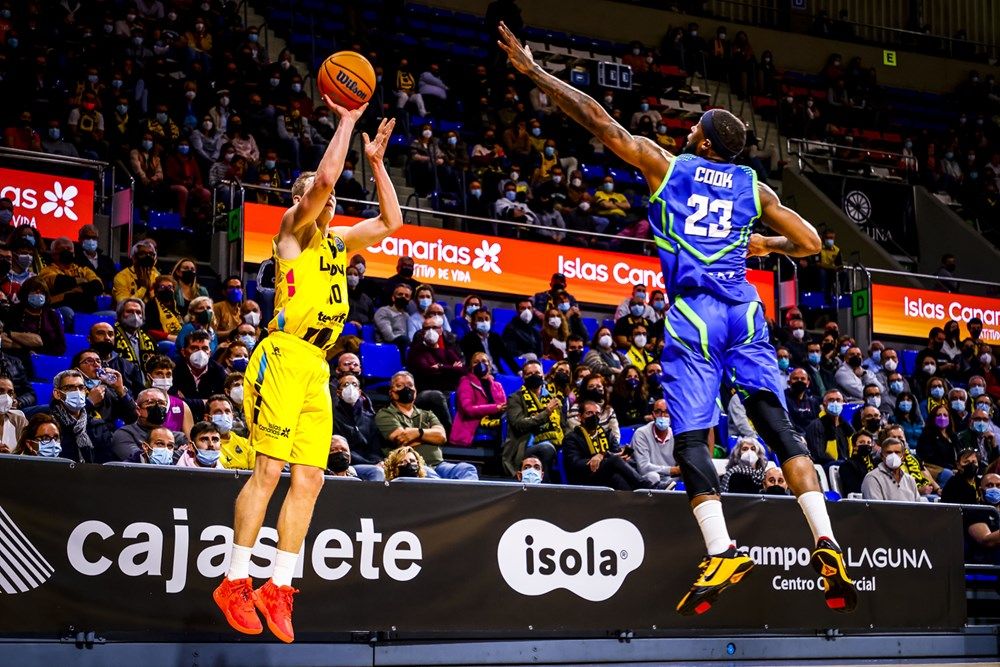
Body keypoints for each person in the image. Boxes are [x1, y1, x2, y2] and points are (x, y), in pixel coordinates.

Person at [501, 25, 854, 612]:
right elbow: (813, 241)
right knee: (776, 424)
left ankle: (721, 549)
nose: (687, 130)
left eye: (694, 127)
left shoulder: (669, 166)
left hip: (693, 313)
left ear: (705, 142)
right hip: (744, 309)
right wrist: (763, 244)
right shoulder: (753, 185)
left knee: (690, 435)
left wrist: (536, 73)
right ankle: (826, 540)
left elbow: (600, 123)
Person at [215, 104, 402, 645]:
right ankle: (233, 579)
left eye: (335, 199)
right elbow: (322, 178)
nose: (329, 200)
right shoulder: (291, 232)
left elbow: (392, 222)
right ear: (302, 201)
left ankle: (278, 585)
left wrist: (377, 162)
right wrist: (346, 122)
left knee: (311, 479)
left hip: (317, 364)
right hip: (282, 354)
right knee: (269, 470)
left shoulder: (339, 245)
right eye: (320, 195)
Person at [375, 371, 477, 480]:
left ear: (415, 390)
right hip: (410, 466)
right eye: (400, 385)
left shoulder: (427, 414)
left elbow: (441, 437)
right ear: (391, 392)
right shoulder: (385, 414)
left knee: (467, 469)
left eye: (410, 385)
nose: (406, 388)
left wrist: (418, 433)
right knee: (431, 476)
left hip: (439, 465)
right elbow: (401, 438)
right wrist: (430, 437)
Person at [562, 399, 651, 490]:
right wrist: (597, 459)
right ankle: (647, 486)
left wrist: (620, 457)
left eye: (597, 414)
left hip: (607, 474)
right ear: (580, 417)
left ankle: (636, 499)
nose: (594, 416)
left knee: (617, 477)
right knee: (615, 461)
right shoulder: (572, 438)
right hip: (585, 476)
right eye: (589, 413)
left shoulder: (608, 435)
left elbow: (616, 454)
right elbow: (574, 463)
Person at [501, 360, 562, 478]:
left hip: (552, 443)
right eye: (529, 374)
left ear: (543, 375)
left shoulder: (553, 399)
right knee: (546, 449)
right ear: (523, 378)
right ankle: (543, 486)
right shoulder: (515, 398)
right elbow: (519, 424)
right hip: (524, 446)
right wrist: (546, 413)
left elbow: (561, 427)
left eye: (537, 373)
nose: (534, 376)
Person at [48, 369, 117, 464]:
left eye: (81, 387)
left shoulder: (98, 426)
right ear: (57, 394)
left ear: (85, 391)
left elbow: (107, 462)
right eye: (70, 388)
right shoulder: (49, 424)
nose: (77, 391)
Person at [111, 387, 189, 462]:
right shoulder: (124, 434)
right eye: (151, 403)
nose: (157, 407)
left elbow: (188, 460)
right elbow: (137, 460)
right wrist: (179, 453)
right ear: (138, 410)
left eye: (161, 403)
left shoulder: (179, 437)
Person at [332, 374, 384, 480]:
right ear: (338, 392)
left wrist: (377, 462)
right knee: (375, 472)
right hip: (343, 462)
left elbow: (375, 449)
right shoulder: (332, 416)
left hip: (369, 464)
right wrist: (370, 464)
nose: (350, 388)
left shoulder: (369, 418)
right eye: (346, 385)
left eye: (354, 384)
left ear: (359, 392)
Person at [452, 352, 507, 448]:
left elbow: (504, 406)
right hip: (475, 426)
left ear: (489, 365)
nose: (480, 364)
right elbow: (468, 409)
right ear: (471, 367)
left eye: (484, 361)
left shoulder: (497, 385)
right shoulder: (466, 383)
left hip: (497, 422)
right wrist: (495, 408)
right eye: (475, 362)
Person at [631, 399, 680, 488]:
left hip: (671, 479)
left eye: (666, 412)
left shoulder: (677, 434)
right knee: (653, 476)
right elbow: (643, 468)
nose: (662, 416)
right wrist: (671, 470)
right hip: (647, 478)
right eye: (658, 412)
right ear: (653, 415)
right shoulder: (641, 433)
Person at [460, 307, 520, 374]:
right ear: (474, 323)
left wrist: (518, 371)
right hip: (480, 374)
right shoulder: (468, 339)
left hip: (498, 372)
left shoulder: (495, 337)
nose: (484, 322)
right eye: (480, 319)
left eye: (486, 319)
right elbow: (469, 362)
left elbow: (507, 356)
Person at [860, 436, 919, 501]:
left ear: (903, 456)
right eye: (889, 452)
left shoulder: (910, 480)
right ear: (882, 456)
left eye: (897, 452)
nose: (893, 456)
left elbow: (918, 507)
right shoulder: (872, 478)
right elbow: (876, 508)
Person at [206, 394, 255, 470]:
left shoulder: (246, 444)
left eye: (227, 411)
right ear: (207, 418)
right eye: (218, 412)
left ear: (232, 416)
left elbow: (255, 474)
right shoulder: (204, 445)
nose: (224, 415)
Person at [804, 390, 854, 465]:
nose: (835, 403)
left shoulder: (847, 427)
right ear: (824, 405)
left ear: (843, 403)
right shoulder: (816, 425)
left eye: (838, 400)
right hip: (827, 467)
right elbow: (818, 455)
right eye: (831, 400)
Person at [115, 298, 157, 373]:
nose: (134, 315)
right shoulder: (112, 337)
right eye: (129, 311)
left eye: (138, 312)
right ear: (120, 314)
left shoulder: (150, 340)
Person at [966, 473, 1000, 564]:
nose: (995, 489)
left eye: (998, 486)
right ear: (981, 491)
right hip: (986, 566)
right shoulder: (975, 511)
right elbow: (986, 540)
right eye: (990, 485)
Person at [113, 240, 158, 305]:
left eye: (151, 254)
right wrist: (144, 287)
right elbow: (124, 304)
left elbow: (159, 304)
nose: (147, 257)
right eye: (142, 254)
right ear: (134, 258)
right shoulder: (121, 277)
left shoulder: (156, 276)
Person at [838, 431, 877, 496]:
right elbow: (854, 490)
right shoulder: (847, 465)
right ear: (854, 446)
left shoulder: (875, 464)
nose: (866, 445)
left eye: (869, 442)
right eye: (862, 442)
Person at [0, 376, 27, 453]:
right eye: (0, 391)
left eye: (10, 393)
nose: (6, 397)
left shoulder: (20, 422)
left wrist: (10, 457)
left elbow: (25, 455)